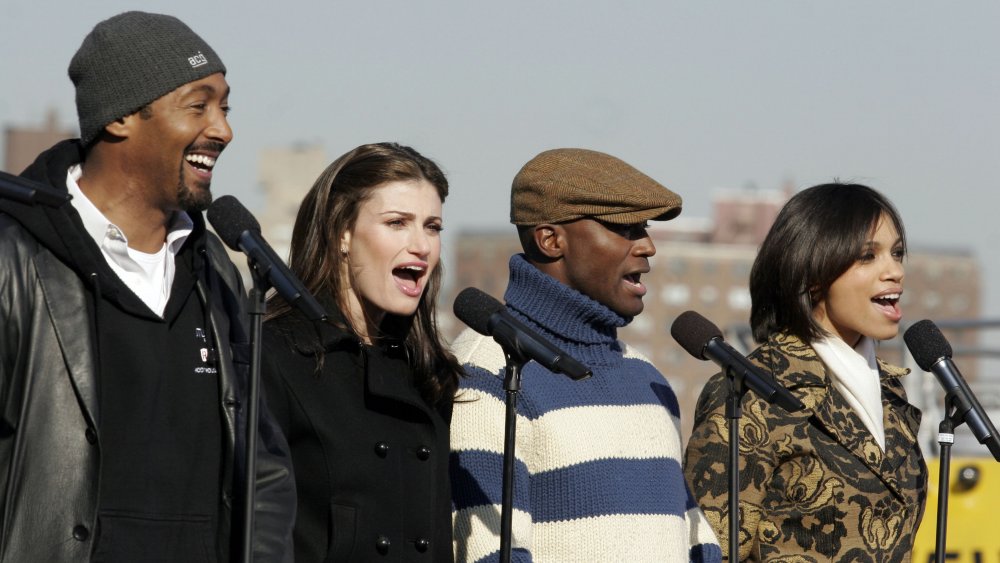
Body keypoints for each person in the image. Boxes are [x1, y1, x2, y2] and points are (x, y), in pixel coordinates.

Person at [0, 11, 295, 562]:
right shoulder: (15, 259)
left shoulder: (217, 274)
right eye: (198, 105)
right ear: (120, 118)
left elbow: (264, 474)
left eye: (225, 107)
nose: (223, 129)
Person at [450, 148, 723, 562]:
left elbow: (691, 536)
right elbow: (485, 551)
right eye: (625, 229)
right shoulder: (487, 369)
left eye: (644, 228)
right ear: (550, 239)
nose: (647, 246)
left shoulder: (646, 378)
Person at [683, 183, 927, 562]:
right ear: (813, 275)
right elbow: (707, 548)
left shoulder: (891, 391)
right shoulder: (750, 391)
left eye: (896, 253)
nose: (894, 270)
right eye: (868, 256)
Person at [261, 142, 463, 562]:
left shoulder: (428, 373)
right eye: (397, 223)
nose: (421, 246)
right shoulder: (274, 355)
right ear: (342, 235)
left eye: (432, 226)